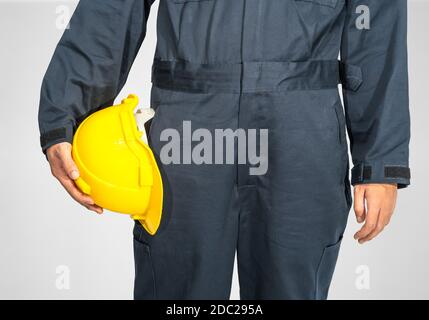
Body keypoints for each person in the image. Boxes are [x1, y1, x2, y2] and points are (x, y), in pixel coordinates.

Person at [39, 0, 410, 299]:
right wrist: (64, 115)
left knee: (293, 287)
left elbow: (377, 30)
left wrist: (380, 161)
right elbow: (110, 10)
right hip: (186, 131)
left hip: (301, 132)